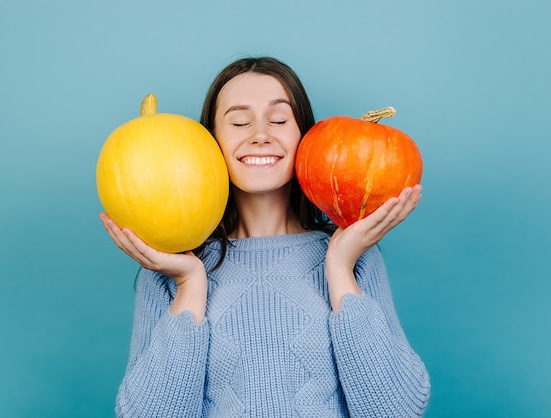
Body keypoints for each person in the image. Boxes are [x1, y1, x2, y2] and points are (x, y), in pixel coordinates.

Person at [100, 56, 430, 417]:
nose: (260, 134)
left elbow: (397, 410)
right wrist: (190, 283)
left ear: (306, 135)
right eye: (239, 121)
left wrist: (339, 265)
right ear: (208, 143)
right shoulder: (168, 264)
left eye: (279, 119)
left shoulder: (355, 253)